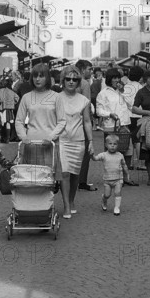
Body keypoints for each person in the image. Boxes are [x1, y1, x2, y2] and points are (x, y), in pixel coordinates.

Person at [51, 65, 94, 218]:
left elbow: (87, 122)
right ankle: (66, 205)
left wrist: (91, 141)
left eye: (74, 79)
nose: (71, 82)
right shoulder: (56, 98)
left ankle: (71, 199)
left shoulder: (84, 100)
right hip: (61, 140)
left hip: (78, 141)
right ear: (63, 80)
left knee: (75, 174)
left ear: (78, 82)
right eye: (68, 79)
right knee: (64, 173)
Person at [14, 63, 66, 186]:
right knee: (31, 180)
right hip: (31, 145)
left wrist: (52, 136)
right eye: (35, 76)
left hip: (49, 145)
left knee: (48, 180)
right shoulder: (26, 97)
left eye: (41, 76)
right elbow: (19, 121)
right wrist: (23, 137)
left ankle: (48, 205)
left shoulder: (56, 97)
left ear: (47, 78)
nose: (37, 79)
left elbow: (62, 121)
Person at [96, 68, 139, 186]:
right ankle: (113, 178)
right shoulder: (103, 93)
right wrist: (109, 114)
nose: (117, 80)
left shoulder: (123, 91)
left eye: (118, 78)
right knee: (112, 152)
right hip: (111, 126)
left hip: (124, 124)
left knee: (128, 151)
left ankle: (126, 177)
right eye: (114, 78)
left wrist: (123, 91)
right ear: (109, 79)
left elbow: (131, 105)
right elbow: (98, 110)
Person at [91, 134, 130, 216]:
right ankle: (104, 199)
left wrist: (127, 174)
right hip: (107, 180)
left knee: (118, 192)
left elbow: (124, 165)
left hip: (118, 179)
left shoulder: (120, 155)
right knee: (107, 194)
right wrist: (91, 155)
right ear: (106, 145)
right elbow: (95, 158)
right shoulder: (104, 155)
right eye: (110, 144)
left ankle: (117, 208)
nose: (112, 146)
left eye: (115, 144)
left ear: (118, 145)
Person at [75, 59, 97, 191]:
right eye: (89, 69)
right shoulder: (84, 83)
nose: (91, 71)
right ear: (83, 70)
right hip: (82, 120)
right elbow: (86, 105)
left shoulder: (69, 81)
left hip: (70, 121)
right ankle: (81, 181)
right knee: (85, 152)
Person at [122, 65, 146, 170]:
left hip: (127, 116)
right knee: (138, 140)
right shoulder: (142, 88)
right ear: (140, 76)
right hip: (138, 115)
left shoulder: (125, 87)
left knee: (129, 139)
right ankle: (140, 163)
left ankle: (130, 163)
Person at [0, 77, 19, 143]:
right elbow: (17, 98)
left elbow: (0, 99)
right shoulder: (11, 91)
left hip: (3, 108)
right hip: (10, 109)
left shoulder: (1, 91)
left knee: (2, 123)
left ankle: (3, 138)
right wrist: (13, 103)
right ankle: (7, 138)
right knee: (8, 123)